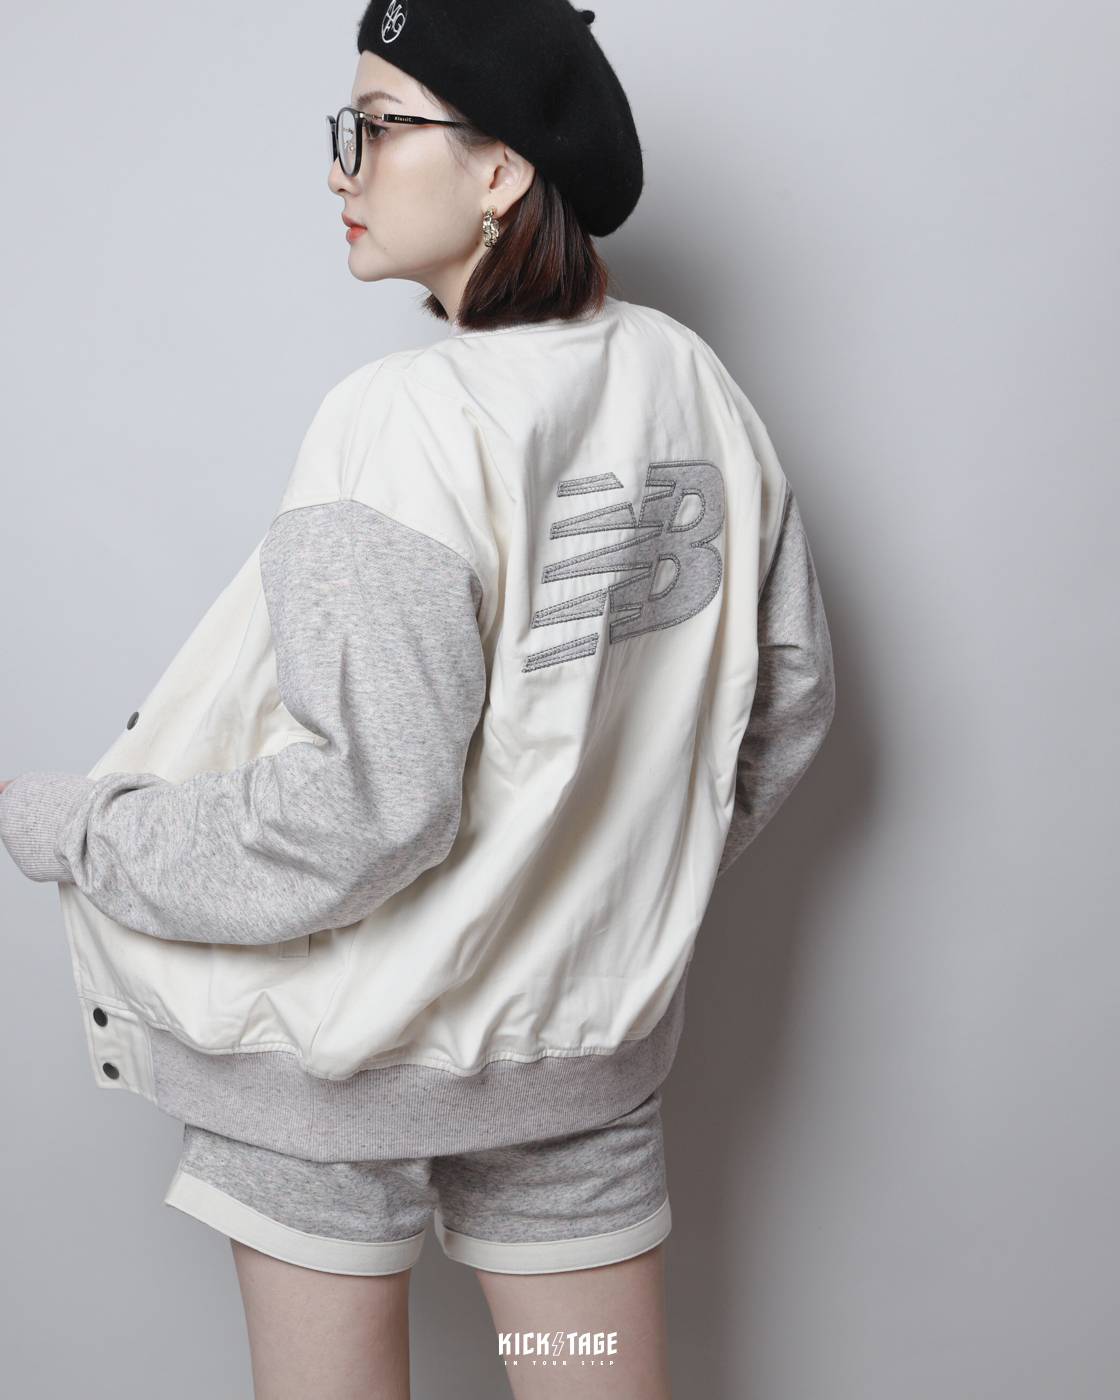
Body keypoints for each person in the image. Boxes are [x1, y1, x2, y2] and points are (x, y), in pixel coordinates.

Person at [0, 2, 834, 1396]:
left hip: (330, 1085)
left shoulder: (403, 422)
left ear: (501, 168)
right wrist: (594, 883)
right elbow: (785, 702)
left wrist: (73, 828)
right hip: (578, 1072)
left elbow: (363, 812)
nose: (342, 165)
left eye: (380, 127)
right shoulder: (692, 384)